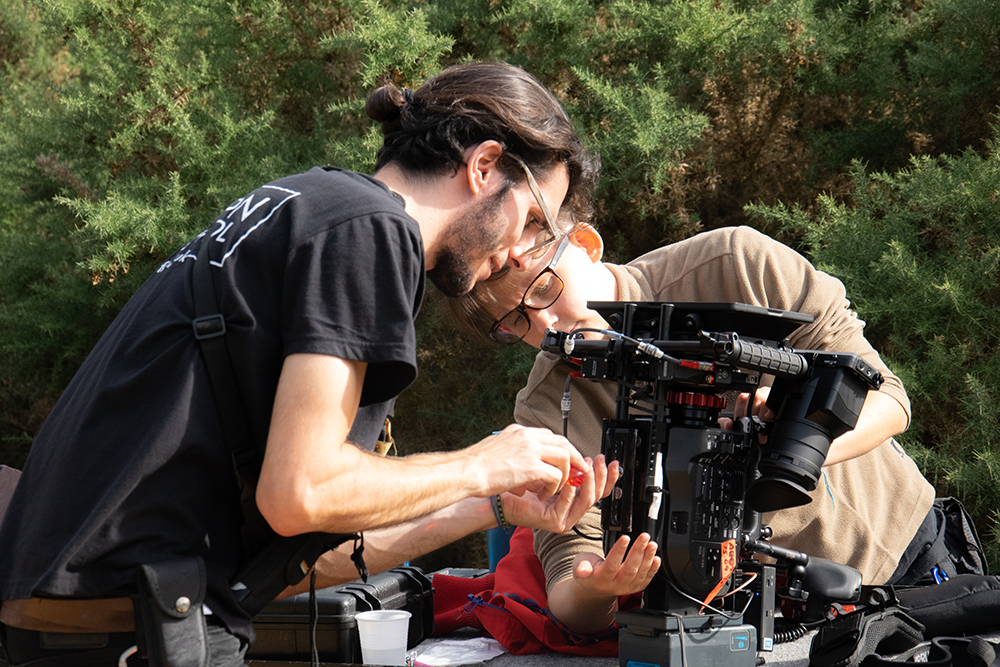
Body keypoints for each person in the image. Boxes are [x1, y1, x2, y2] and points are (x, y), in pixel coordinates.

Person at [0, 62, 617, 666]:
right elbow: (301, 492)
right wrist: (483, 463)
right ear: (484, 166)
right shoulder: (371, 231)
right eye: (532, 218)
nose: (520, 252)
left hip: (83, 619)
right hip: (122, 632)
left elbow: (307, 532)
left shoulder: (315, 207)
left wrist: (493, 504)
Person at [450, 218, 957, 636]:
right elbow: (569, 579)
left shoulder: (735, 263)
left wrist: (784, 441)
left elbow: (890, 400)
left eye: (543, 289)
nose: (546, 327)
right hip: (750, 622)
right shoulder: (546, 407)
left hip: (907, 560)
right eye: (516, 322)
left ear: (585, 243)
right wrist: (596, 588)